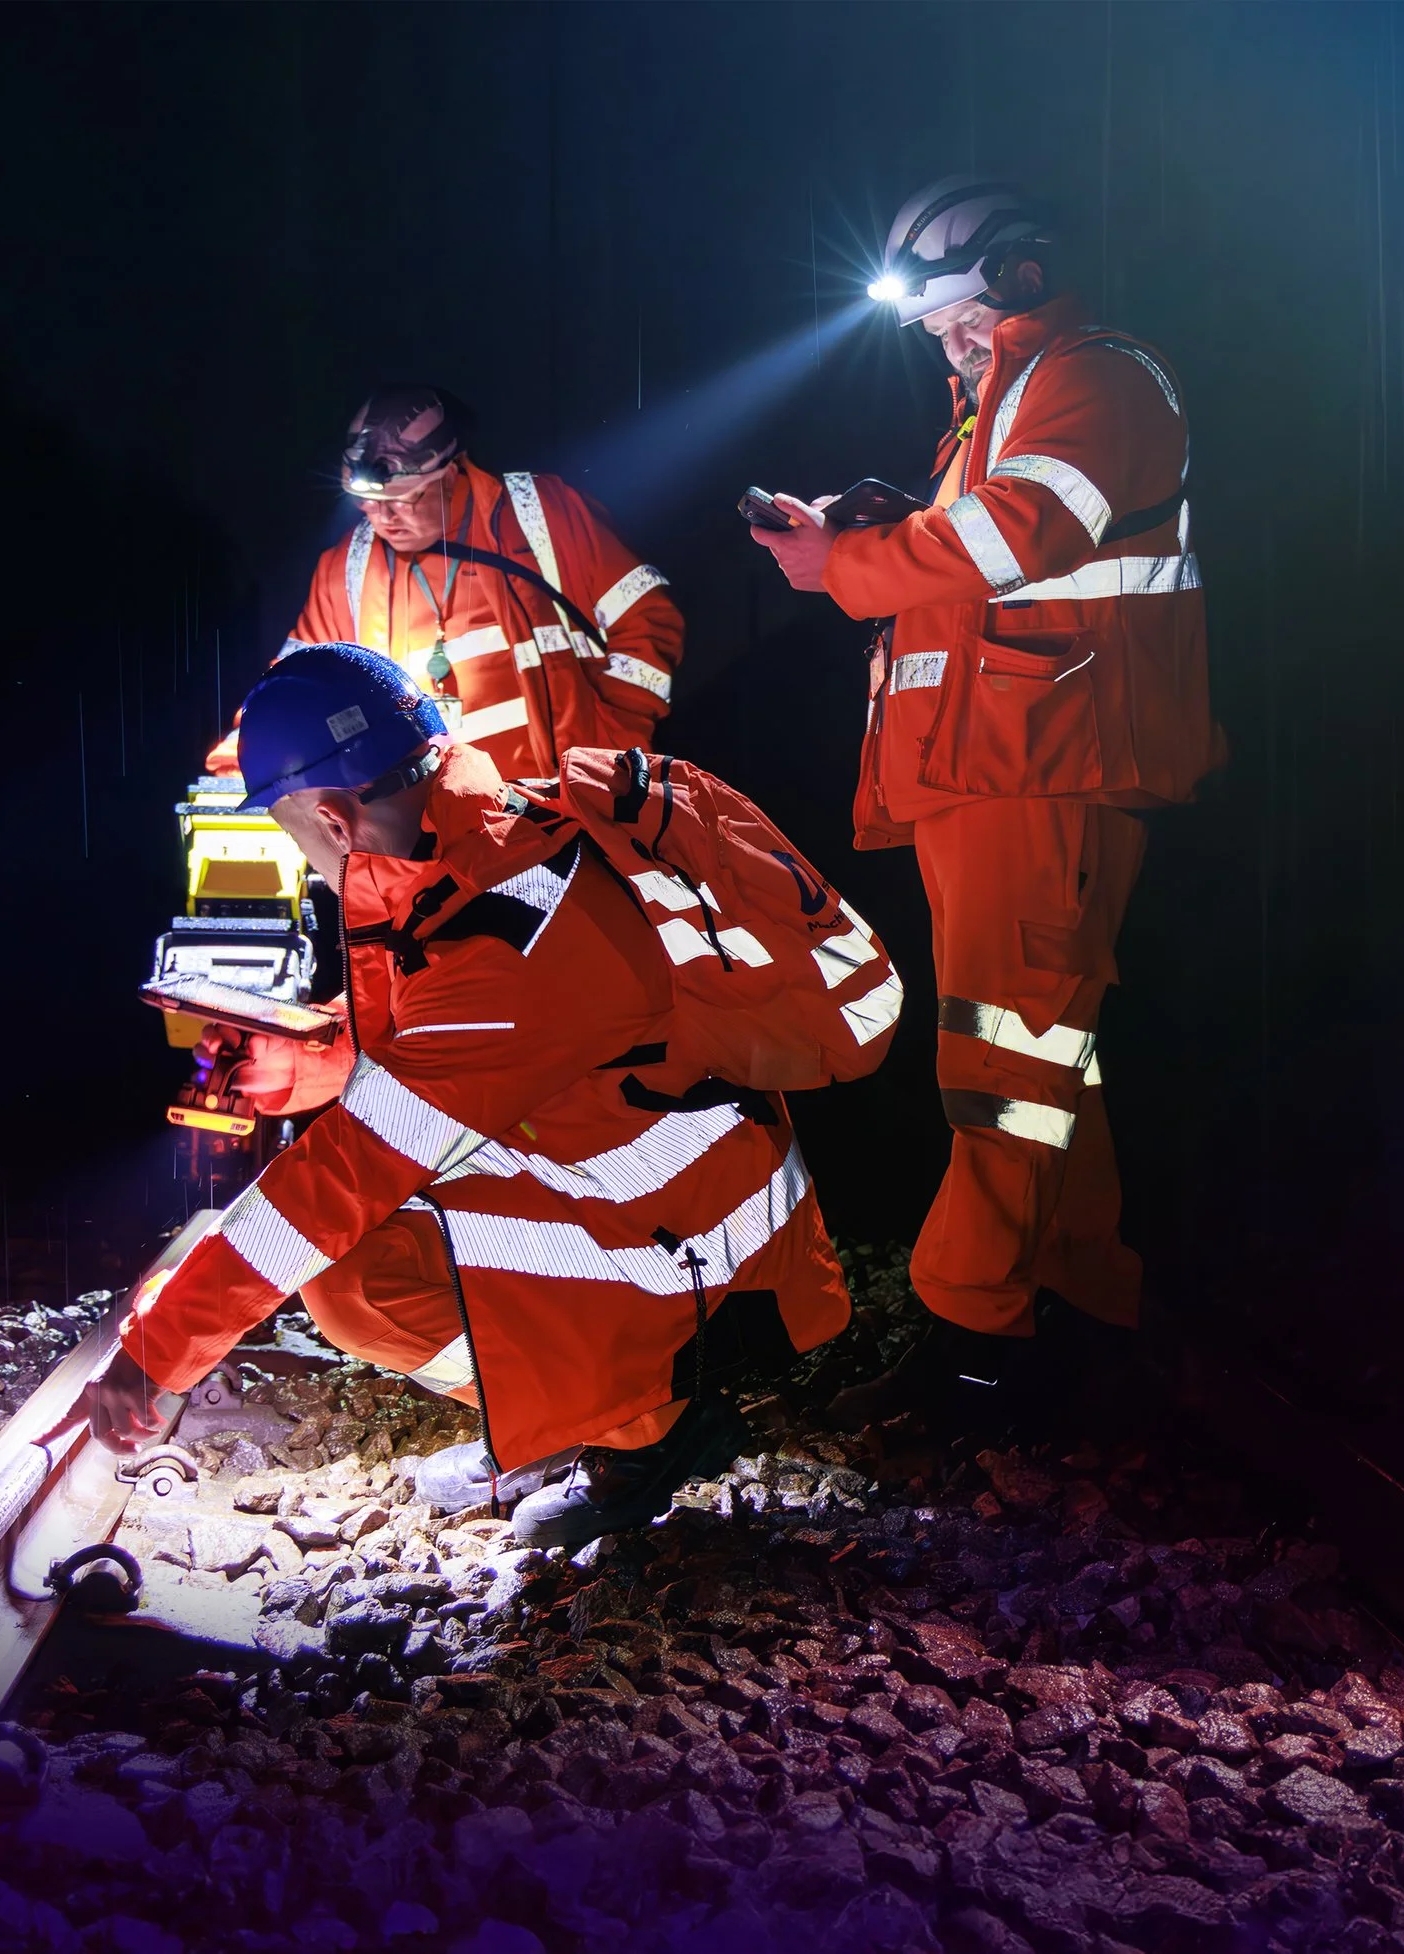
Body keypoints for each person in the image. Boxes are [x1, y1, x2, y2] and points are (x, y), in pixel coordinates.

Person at [95, 644, 850, 1546]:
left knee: (355, 1282)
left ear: (335, 822)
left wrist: (158, 1351)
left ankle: (646, 1425)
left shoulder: (501, 935)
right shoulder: (493, 834)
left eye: (292, 837)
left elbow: (345, 1172)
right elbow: (471, 1037)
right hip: (681, 1194)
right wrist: (313, 1062)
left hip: (700, 1254)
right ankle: (572, 1402)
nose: (303, 864)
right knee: (371, 1246)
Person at [748, 177, 1223, 1429]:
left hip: (1041, 772)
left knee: (1001, 1061)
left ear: (1019, 278)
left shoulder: (1095, 375)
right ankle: (1080, 1307)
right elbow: (991, 546)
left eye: (959, 317)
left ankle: (969, 1347)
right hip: (997, 770)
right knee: (1043, 1052)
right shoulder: (1003, 401)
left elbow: (1013, 537)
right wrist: (896, 528)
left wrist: (841, 563)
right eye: (935, 331)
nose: (947, 344)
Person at [207, 386, 681, 779]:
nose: (381, 517)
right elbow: (294, 687)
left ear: (450, 473)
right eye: (366, 503)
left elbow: (648, 621)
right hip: (431, 842)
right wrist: (241, 761)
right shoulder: (343, 568)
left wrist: (611, 750)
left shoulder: (540, 513)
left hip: (561, 813)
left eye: (402, 500)